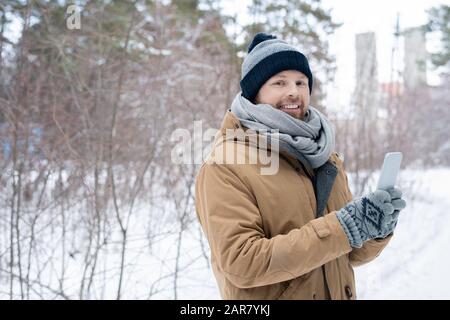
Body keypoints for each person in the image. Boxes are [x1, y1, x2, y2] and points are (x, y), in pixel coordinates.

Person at [194, 33, 406, 300]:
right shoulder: (225, 165)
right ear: (255, 93)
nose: (293, 91)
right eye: (279, 82)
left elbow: (345, 253)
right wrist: (344, 227)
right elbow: (241, 263)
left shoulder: (324, 156)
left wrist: (375, 227)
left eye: (301, 82)